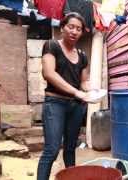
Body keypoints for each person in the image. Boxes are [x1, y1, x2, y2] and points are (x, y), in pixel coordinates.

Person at [37, 12, 91, 180]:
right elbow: (49, 73)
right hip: (55, 103)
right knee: (52, 150)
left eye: (79, 29)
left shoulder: (82, 55)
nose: (74, 31)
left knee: (70, 148)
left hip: (76, 106)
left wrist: (92, 91)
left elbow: (83, 82)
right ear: (62, 28)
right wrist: (76, 92)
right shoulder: (51, 46)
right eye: (71, 27)